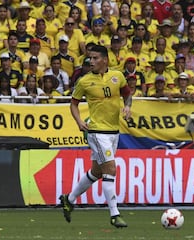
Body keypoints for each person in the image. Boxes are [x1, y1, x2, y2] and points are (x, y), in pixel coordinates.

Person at [59, 45, 132, 228]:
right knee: (110, 169)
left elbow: (127, 95)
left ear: (105, 60)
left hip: (113, 131)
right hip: (96, 132)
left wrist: (128, 106)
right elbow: (73, 104)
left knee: (97, 172)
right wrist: (78, 121)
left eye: (94, 58)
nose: (90, 61)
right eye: (89, 58)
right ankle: (115, 214)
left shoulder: (118, 76)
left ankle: (69, 199)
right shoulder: (84, 81)